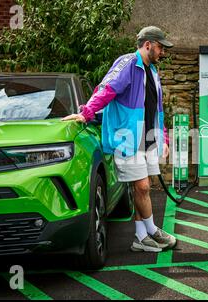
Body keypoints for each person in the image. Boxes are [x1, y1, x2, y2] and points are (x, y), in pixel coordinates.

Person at [62, 26, 176, 252]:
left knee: (142, 188)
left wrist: (163, 138)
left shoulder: (152, 70)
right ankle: (153, 230)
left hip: (147, 137)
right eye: (160, 47)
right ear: (148, 44)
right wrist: (86, 113)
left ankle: (140, 238)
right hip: (128, 137)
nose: (162, 52)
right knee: (142, 187)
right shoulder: (127, 64)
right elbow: (106, 90)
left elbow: (157, 108)